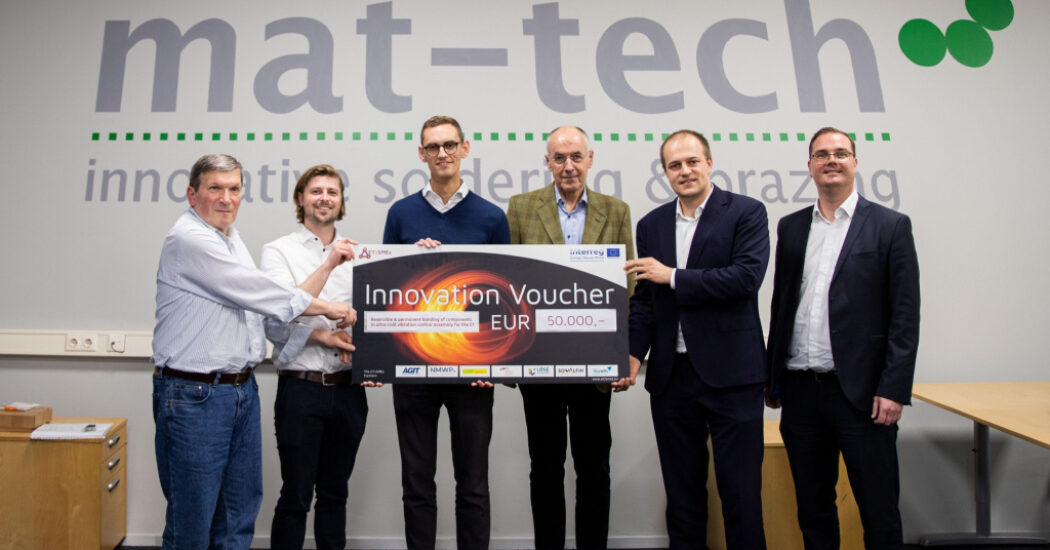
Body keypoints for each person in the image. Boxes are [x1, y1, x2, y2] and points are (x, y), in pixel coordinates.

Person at [151, 154, 353, 550]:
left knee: (238, 514)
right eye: (215, 188)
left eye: (234, 189)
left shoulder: (232, 239)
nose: (226, 198)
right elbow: (264, 296)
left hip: (239, 390)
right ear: (192, 194)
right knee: (193, 521)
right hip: (195, 395)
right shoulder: (189, 239)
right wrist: (329, 309)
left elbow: (262, 310)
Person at [766, 127, 920, 550]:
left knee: (878, 509)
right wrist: (773, 379)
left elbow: (905, 315)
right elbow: (782, 306)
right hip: (800, 392)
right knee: (813, 510)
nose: (831, 160)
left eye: (840, 153)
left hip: (863, 396)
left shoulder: (890, 226)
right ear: (810, 166)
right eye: (821, 154)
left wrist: (893, 388)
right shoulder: (792, 227)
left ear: (855, 162)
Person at [623, 130, 769, 549]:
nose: (684, 171)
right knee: (682, 498)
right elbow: (645, 302)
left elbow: (745, 278)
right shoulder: (651, 224)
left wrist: (673, 276)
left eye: (691, 162)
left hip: (733, 376)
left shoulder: (746, 212)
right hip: (672, 378)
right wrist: (630, 355)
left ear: (709, 163)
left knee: (741, 496)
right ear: (665, 172)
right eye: (674, 165)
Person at [382, 115, 510, 550]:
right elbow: (388, 291)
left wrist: (493, 364)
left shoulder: (491, 217)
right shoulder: (400, 214)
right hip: (413, 371)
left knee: (473, 485)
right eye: (433, 147)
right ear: (422, 154)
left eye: (450, 145)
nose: (442, 153)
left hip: (472, 372)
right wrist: (410, 264)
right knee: (417, 483)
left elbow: (504, 298)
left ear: (464, 149)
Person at [506, 126, 635, 550]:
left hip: (595, 366)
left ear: (590, 159)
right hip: (539, 364)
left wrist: (623, 355)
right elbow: (509, 284)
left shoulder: (616, 211)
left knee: (594, 468)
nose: (568, 166)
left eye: (576, 156)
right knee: (545, 468)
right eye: (559, 158)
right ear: (547, 162)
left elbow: (628, 290)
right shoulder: (521, 208)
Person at [261, 164, 381, 550]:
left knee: (335, 494)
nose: (324, 198)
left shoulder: (362, 256)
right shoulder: (278, 251)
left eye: (332, 192)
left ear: (341, 201)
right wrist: (322, 333)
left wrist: (371, 353)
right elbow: (276, 320)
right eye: (316, 191)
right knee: (295, 496)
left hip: (348, 391)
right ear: (301, 199)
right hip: (301, 389)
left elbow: (378, 318)